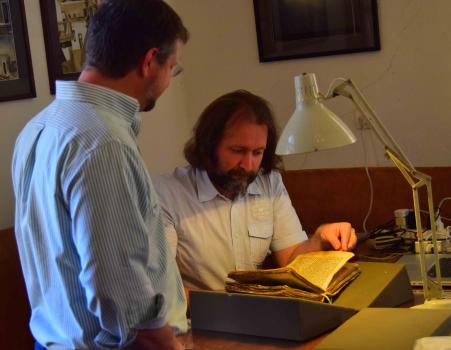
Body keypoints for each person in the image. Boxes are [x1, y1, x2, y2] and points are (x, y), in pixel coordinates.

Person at [12, 1, 189, 349]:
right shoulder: (104, 142)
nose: (169, 80)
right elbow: (122, 292)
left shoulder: (38, 127)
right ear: (149, 60)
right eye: (172, 67)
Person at [155, 90, 357, 291]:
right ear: (209, 146)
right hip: (197, 319)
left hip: (257, 313)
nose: (248, 164)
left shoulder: (269, 183)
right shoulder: (166, 193)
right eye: (238, 151)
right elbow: (164, 291)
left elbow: (292, 259)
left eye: (257, 152)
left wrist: (320, 238)